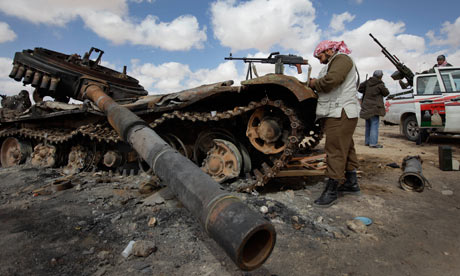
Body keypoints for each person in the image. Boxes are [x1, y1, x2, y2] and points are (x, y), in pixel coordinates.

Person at [308, 40, 360, 207]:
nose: (320, 60)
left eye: (320, 56)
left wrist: (314, 83)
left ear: (329, 51)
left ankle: (332, 190)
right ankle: (351, 182)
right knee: (346, 146)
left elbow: (332, 81)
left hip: (340, 111)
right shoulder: (335, 61)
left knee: (335, 149)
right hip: (341, 111)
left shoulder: (341, 59)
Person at [358, 70, 390, 148]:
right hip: (375, 108)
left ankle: (367, 142)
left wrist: (366, 82)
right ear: (380, 76)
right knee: (374, 125)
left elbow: (359, 88)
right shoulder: (380, 84)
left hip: (366, 107)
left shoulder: (367, 83)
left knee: (368, 125)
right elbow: (386, 93)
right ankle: (373, 143)